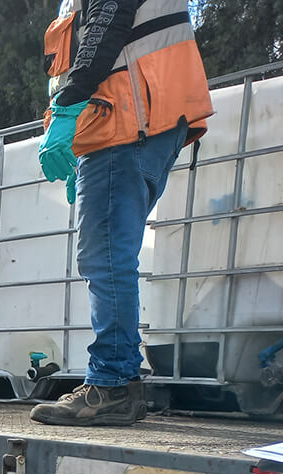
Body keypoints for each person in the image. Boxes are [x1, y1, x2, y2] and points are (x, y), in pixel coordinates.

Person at [31, 0, 212, 426]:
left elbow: (107, 23)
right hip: (132, 119)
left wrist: (68, 108)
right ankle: (120, 379)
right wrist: (77, 138)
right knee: (112, 254)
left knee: (105, 256)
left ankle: (111, 384)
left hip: (127, 120)